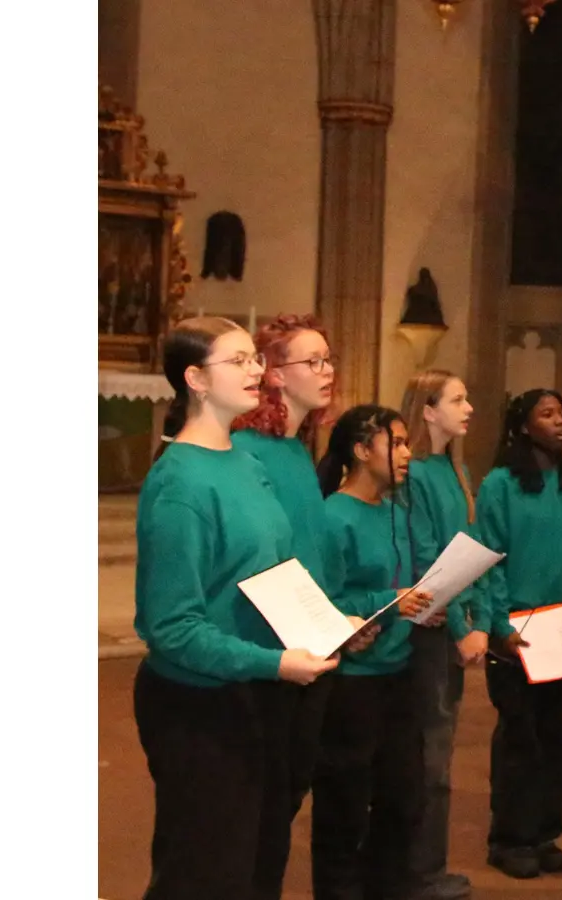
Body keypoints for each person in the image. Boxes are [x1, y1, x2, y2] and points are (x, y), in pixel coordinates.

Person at [133, 317, 341, 900]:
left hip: (258, 691)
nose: (256, 370)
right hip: (199, 704)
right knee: (202, 872)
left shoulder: (247, 464)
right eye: (238, 361)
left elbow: (273, 574)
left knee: (257, 861)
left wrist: (324, 622)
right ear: (195, 379)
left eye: (255, 358)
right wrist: (276, 665)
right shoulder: (180, 481)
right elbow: (171, 627)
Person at [230, 313, 344, 897]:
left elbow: (310, 553)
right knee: (261, 810)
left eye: (329, 360)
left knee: (288, 797)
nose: (327, 372)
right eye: (313, 361)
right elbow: (256, 562)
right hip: (271, 651)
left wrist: (341, 618)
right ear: (272, 374)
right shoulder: (246, 450)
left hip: (313, 643)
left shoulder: (299, 451)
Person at [477, 389, 562, 880]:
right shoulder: (501, 484)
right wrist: (497, 624)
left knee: (555, 737)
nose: (561, 421)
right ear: (523, 426)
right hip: (518, 627)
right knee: (520, 737)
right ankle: (508, 838)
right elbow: (488, 558)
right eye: (547, 414)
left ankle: (543, 832)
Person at [312, 405, 440, 900]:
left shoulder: (397, 513)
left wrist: (427, 604)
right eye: (398, 443)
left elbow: (404, 585)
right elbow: (324, 600)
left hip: (399, 672)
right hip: (352, 683)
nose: (407, 454)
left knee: (402, 799)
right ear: (363, 452)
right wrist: (388, 603)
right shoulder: (332, 516)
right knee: (344, 805)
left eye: (408, 443)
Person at [400, 370, 488, 899]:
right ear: (427, 411)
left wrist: (476, 622)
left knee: (441, 748)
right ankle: (418, 871)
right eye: (457, 399)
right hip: (428, 628)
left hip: (454, 621)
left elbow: (470, 551)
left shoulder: (457, 470)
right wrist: (461, 628)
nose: (469, 407)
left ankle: (428, 864)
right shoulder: (414, 473)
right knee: (429, 755)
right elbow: (432, 556)